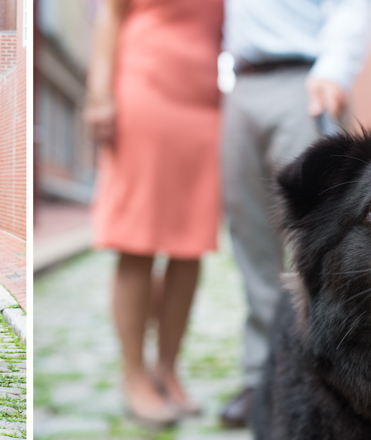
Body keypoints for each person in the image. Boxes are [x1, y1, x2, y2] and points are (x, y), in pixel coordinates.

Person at [218, 0, 371, 427]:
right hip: (241, 84)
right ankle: (260, 377)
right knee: (251, 237)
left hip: (306, 81)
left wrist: (335, 69)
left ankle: (325, 368)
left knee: (319, 240)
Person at [84, 0, 224, 427]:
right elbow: (110, 15)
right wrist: (100, 94)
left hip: (204, 103)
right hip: (144, 91)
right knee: (137, 239)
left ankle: (167, 370)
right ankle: (133, 374)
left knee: (191, 243)